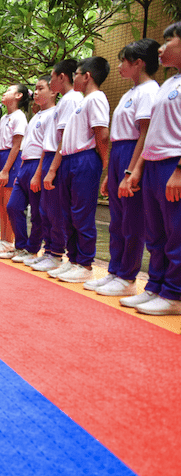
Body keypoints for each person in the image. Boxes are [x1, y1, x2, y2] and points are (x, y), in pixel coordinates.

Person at [119, 22, 181, 315]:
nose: (161, 48)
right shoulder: (168, 84)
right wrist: (138, 169)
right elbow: (153, 132)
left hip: (173, 163)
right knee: (156, 234)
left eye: (169, 41)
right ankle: (155, 286)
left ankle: (174, 294)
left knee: (176, 233)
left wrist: (179, 171)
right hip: (154, 163)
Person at [92, 39, 161, 296]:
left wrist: (131, 171)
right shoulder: (129, 93)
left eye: (124, 61)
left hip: (132, 151)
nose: (119, 66)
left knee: (132, 221)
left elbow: (144, 134)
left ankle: (128, 277)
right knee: (117, 221)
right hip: (119, 152)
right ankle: (115, 270)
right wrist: (109, 172)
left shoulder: (149, 91)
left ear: (138, 63)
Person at [44, 57, 111, 283]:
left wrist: (106, 167)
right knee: (68, 214)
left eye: (77, 73)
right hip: (70, 160)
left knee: (82, 214)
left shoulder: (96, 98)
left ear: (87, 76)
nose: (74, 78)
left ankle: (85, 263)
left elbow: (102, 135)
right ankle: (73, 260)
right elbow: (66, 139)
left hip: (84, 159)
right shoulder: (82, 101)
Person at [31, 59, 83, 273]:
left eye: (51, 77)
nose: (49, 81)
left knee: (57, 211)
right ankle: (51, 251)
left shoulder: (72, 99)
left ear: (62, 77)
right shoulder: (64, 101)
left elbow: (65, 137)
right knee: (47, 210)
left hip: (59, 157)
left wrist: (53, 168)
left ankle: (57, 254)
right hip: (52, 156)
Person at [5, 76, 56, 263]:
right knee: (13, 206)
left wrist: (38, 173)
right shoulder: (36, 115)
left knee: (37, 212)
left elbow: (47, 146)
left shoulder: (53, 114)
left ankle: (33, 249)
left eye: (40, 88)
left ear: (53, 91)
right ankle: (21, 245)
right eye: (35, 88)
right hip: (25, 164)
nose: (36, 92)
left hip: (38, 165)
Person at [0, 84, 30, 255]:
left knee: (8, 203)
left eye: (8, 91)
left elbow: (16, 145)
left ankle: (9, 241)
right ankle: (3, 239)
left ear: (19, 96)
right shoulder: (5, 118)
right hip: (0, 157)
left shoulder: (19, 117)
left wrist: (5, 170)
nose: (4, 92)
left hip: (11, 159)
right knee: (1, 199)